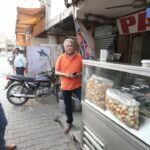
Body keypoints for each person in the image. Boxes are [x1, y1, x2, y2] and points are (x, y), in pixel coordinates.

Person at [55, 38, 83, 133]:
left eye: (70, 45)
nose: (69, 48)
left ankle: (87, 123)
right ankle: (69, 122)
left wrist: (78, 74)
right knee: (68, 106)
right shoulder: (61, 57)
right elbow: (56, 71)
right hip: (66, 86)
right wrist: (67, 75)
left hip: (77, 85)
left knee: (84, 102)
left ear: (73, 46)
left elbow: (84, 70)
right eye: (67, 46)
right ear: (64, 47)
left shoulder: (79, 57)